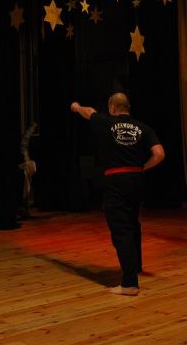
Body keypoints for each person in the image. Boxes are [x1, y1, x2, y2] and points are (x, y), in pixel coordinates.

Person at [71, 93, 165, 296]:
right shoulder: (144, 128)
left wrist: (77, 107)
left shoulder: (106, 122)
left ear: (112, 108)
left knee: (121, 230)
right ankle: (136, 266)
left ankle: (129, 284)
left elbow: (89, 112)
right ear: (128, 107)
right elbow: (159, 154)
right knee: (133, 223)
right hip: (137, 179)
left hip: (116, 180)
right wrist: (143, 167)